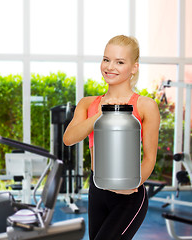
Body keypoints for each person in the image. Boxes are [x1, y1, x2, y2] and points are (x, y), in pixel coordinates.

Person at [63, 35, 160, 240]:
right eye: (106, 59)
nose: (110, 67)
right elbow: (69, 138)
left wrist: (131, 185)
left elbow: (150, 158)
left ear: (134, 67)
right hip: (97, 189)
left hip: (129, 196)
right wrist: (101, 114)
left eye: (120, 62)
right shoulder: (87, 103)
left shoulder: (145, 106)